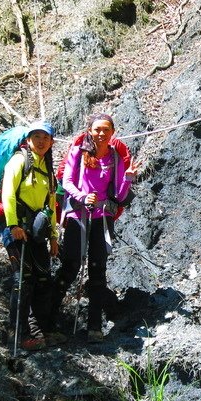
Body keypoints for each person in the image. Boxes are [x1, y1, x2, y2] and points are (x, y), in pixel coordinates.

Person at [54, 113, 137, 340]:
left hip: (102, 218)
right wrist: (82, 196)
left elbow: (119, 195)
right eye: (97, 129)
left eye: (106, 130)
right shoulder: (78, 152)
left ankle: (94, 327)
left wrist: (128, 179)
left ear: (113, 132)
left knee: (98, 269)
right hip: (78, 215)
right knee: (70, 266)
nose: (102, 134)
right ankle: (47, 322)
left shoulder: (115, 157)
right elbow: (66, 181)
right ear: (90, 130)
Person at [1, 121, 60, 351]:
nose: (41, 141)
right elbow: (8, 193)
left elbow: (51, 205)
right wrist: (13, 224)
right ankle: (17, 337)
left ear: (52, 142)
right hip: (17, 230)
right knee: (22, 283)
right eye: (37, 136)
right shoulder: (19, 161)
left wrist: (54, 236)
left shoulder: (47, 169)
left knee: (44, 280)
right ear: (28, 139)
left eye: (46, 137)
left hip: (37, 233)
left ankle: (39, 331)